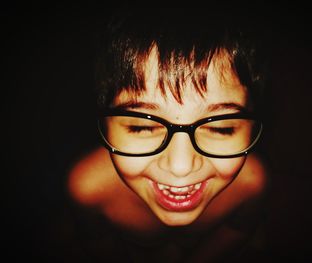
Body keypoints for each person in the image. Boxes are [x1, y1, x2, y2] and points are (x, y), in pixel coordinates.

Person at [67, 9, 270, 262]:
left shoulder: (252, 183)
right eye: (143, 126)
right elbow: (98, 243)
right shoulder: (88, 188)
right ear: (104, 125)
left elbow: (237, 230)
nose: (181, 167)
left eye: (221, 128)